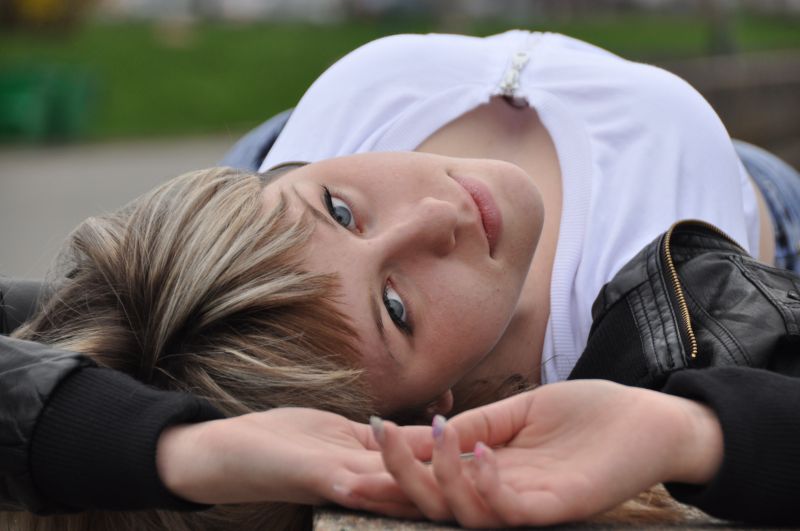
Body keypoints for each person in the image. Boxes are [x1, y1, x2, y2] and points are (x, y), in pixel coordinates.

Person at [2, 28, 800, 529]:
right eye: (395, 307)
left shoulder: (265, 211)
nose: (434, 215)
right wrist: (696, 433)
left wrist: (174, 447)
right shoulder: (672, 342)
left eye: (340, 210)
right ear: (429, 413)